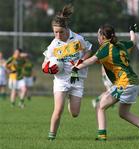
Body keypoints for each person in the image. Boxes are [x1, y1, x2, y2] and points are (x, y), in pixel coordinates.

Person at [71, 24, 139, 140]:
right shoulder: (121, 44)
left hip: (124, 83)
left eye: (98, 35)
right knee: (123, 113)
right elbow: (133, 40)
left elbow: (91, 60)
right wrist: (132, 31)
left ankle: (102, 136)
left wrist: (76, 68)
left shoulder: (105, 48)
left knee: (100, 106)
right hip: (134, 82)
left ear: (102, 37)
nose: (98, 38)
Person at [42, 5, 92, 140]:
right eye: (55, 32)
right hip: (61, 80)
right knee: (58, 110)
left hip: (77, 78)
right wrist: (48, 68)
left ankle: (71, 98)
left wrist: (81, 61)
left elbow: (89, 50)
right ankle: (51, 136)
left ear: (67, 29)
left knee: (75, 113)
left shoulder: (78, 39)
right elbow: (44, 63)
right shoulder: (54, 44)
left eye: (61, 32)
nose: (58, 35)